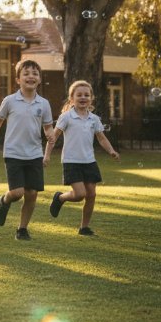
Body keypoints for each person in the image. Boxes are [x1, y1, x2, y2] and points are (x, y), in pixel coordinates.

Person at [0, 59, 55, 240]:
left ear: (39, 79)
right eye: (26, 73)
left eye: (35, 74)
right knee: (17, 193)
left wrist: (50, 133)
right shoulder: (10, 101)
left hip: (34, 154)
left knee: (31, 194)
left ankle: (22, 229)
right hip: (13, 153)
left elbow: (47, 126)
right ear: (18, 79)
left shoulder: (44, 104)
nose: (31, 76)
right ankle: (5, 200)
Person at [43, 80, 119, 236]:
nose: (83, 97)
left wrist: (111, 151)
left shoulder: (94, 119)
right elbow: (53, 137)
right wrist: (47, 156)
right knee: (79, 194)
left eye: (86, 95)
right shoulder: (66, 117)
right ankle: (60, 198)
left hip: (89, 162)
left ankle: (84, 227)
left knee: (91, 194)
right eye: (79, 95)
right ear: (72, 98)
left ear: (91, 98)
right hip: (71, 162)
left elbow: (101, 138)